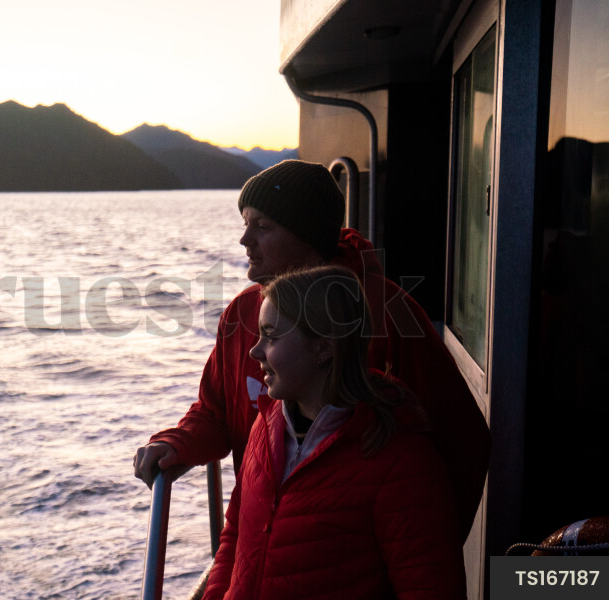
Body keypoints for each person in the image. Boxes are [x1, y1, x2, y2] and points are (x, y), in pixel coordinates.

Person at [133, 160, 489, 539]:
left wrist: (427, 548)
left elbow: (463, 440)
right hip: (265, 546)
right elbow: (216, 411)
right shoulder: (242, 313)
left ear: (308, 237)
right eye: (245, 224)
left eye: (263, 226)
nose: (244, 240)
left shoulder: (387, 314)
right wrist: (178, 443)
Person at [203, 266, 466, 599]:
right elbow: (237, 534)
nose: (255, 351)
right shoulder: (266, 426)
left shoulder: (402, 464)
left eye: (271, 335)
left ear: (324, 348)